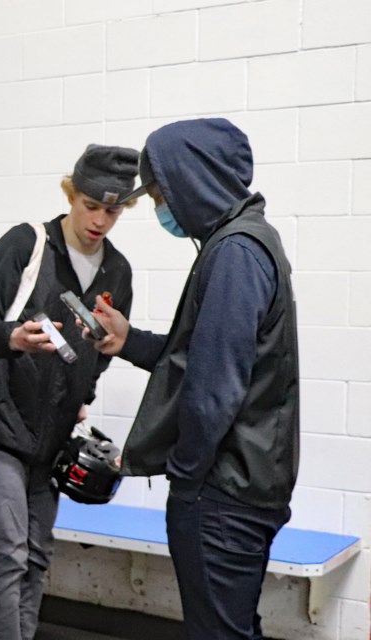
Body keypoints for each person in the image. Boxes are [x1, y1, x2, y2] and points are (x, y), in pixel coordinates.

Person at [90, 118, 299, 640]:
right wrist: (129, 340)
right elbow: (198, 357)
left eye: (162, 193)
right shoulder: (243, 243)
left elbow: (214, 389)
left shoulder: (235, 253)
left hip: (222, 494)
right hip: (240, 486)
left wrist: (185, 477)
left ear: (192, 182)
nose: (163, 208)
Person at [0, 144, 139, 640]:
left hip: (52, 439)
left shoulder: (117, 272)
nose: (101, 220)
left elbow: (105, 347)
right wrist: (12, 337)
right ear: (71, 194)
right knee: (9, 551)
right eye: (91, 205)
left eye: (113, 210)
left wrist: (86, 391)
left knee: (37, 556)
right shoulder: (26, 244)